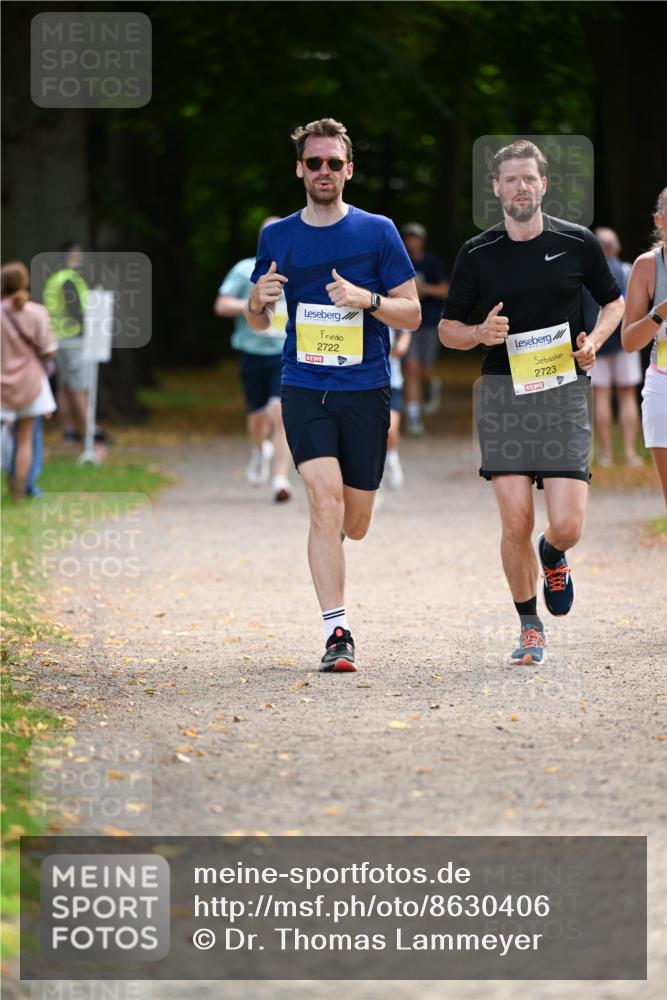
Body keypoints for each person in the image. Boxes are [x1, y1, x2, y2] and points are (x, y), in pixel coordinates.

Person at [439, 139, 624, 665]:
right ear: (496, 188)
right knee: (515, 522)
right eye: (510, 179)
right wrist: (479, 332)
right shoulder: (477, 252)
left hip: (563, 390)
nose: (521, 187)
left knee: (566, 524)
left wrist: (593, 341)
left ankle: (554, 553)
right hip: (502, 394)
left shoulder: (577, 242)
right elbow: (448, 329)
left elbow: (611, 302)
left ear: (544, 185)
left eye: (529, 179)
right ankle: (528, 626)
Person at [246, 118, 420, 672]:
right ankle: (337, 632)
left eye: (334, 163)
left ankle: (349, 519)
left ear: (350, 170)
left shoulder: (377, 231)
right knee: (323, 499)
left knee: (355, 521)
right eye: (314, 163)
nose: (324, 171)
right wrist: (258, 300)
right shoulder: (277, 236)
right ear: (300, 169)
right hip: (304, 386)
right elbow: (258, 319)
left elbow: (412, 313)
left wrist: (365, 300)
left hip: (365, 390)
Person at [214, 217, 292, 502]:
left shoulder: (296, 269)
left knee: (281, 414)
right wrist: (251, 305)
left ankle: (281, 479)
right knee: (258, 419)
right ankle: (259, 452)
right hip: (252, 352)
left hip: (285, 353)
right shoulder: (245, 269)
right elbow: (221, 304)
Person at [621, 187, 667, 508]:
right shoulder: (647, 267)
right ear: (659, 220)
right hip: (663, 385)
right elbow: (629, 341)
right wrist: (659, 313)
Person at [584, 228, 642, 466]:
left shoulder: (585, 273)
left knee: (602, 397)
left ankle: (606, 454)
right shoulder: (628, 271)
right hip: (624, 342)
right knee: (627, 395)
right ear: (616, 248)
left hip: (594, 342)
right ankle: (629, 453)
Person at [1, 262, 57, 501]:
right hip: (31, 384)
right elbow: (50, 350)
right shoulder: (37, 312)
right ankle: (18, 492)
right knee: (25, 438)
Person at [401, 223, 449, 435]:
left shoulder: (432, 262)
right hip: (406, 324)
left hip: (429, 323)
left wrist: (424, 289)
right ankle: (413, 416)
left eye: (416, 237)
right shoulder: (400, 260)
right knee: (411, 368)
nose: (412, 241)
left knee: (424, 370)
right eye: (409, 237)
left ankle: (431, 385)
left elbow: (445, 290)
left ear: (422, 240)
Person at [385, 326, 412, 489]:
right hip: (365, 385)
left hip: (392, 383)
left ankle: (392, 457)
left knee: (391, 429)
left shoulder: (390, 315)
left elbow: (401, 347)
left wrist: (399, 345)